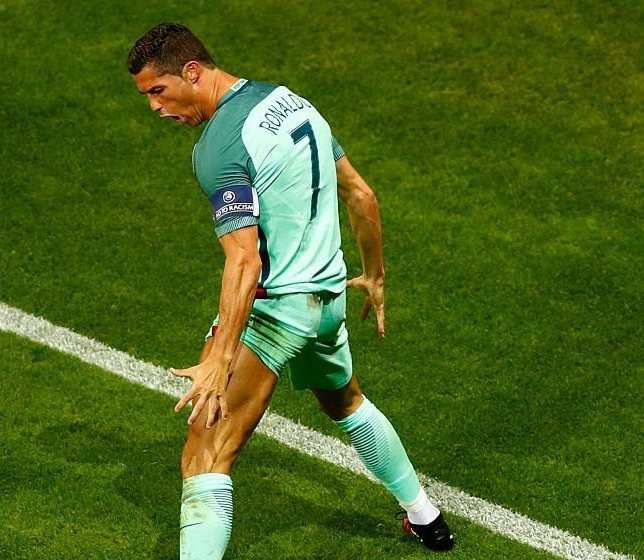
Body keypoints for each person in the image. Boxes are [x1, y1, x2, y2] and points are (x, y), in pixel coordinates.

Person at [127, 23, 455, 558]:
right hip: (326, 303)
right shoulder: (291, 102)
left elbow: (244, 260)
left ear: (192, 71)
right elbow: (362, 195)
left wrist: (220, 359)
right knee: (346, 402)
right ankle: (426, 517)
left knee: (205, 455)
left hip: (277, 311)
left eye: (158, 91)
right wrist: (374, 276)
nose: (155, 108)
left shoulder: (220, 146)